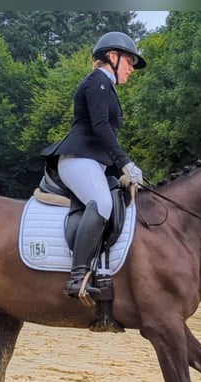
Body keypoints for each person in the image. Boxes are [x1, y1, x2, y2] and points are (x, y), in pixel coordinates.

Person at [40, 31, 146, 300]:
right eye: (129, 62)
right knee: (102, 204)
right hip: (78, 159)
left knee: (119, 199)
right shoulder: (97, 82)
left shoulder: (106, 86)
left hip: (94, 162)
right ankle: (77, 277)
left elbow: (103, 139)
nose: (132, 69)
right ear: (113, 57)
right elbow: (99, 128)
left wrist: (118, 172)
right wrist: (124, 164)